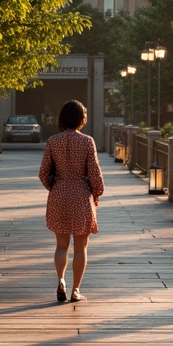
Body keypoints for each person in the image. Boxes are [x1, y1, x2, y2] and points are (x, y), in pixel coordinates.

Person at [38, 100, 105, 302]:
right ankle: (75, 290)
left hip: (59, 194)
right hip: (80, 195)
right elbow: (94, 173)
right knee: (81, 246)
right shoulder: (87, 142)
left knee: (61, 245)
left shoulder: (52, 141)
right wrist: (97, 192)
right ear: (80, 119)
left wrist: (55, 187)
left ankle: (61, 281)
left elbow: (43, 173)